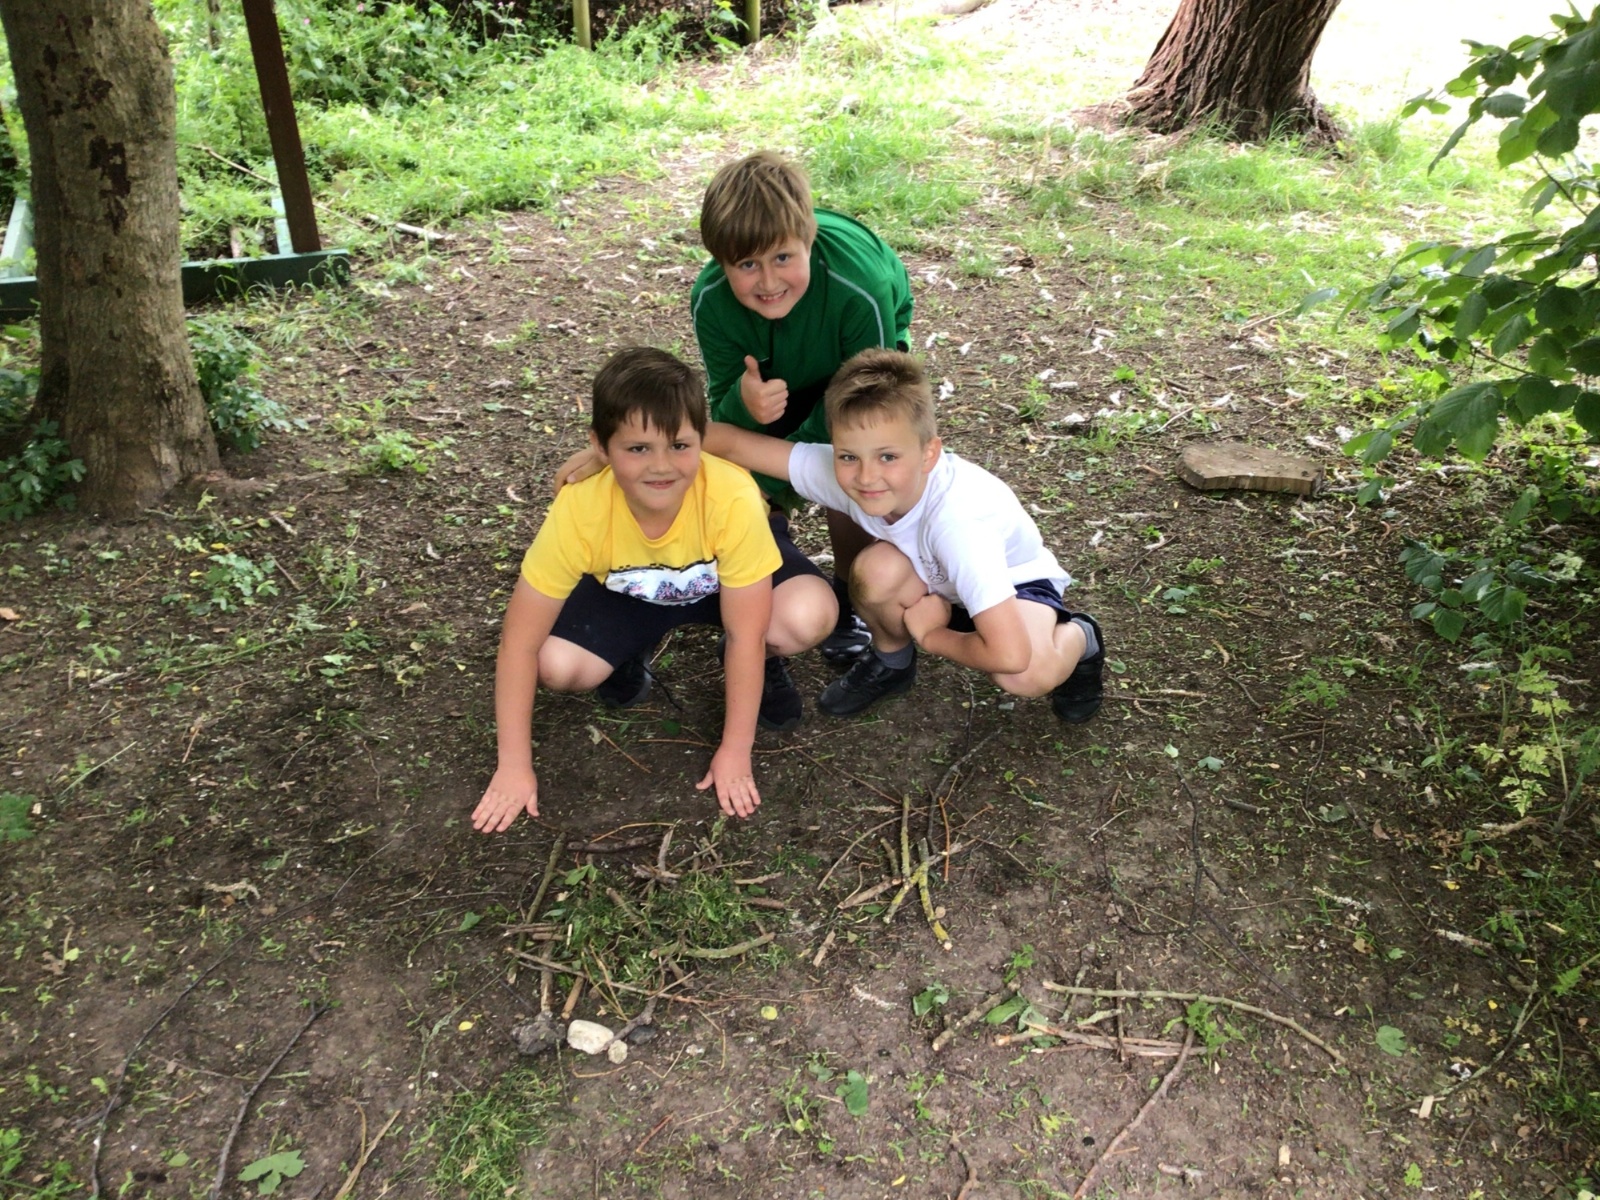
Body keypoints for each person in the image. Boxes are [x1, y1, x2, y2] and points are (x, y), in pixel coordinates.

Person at [557, 151, 915, 666]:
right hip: (776, 381)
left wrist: (778, 476)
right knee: (742, 461)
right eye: (747, 265)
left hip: (862, 373)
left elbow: (867, 405)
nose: (768, 282)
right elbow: (723, 420)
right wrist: (745, 407)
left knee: (853, 468)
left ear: (810, 237)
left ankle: (848, 596)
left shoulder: (862, 286)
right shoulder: (712, 300)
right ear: (721, 263)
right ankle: (752, 566)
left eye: (783, 258)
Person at [472, 347, 837, 833]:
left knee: (805, 615)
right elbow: (518, 642)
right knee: (555, 665)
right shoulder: (580, 508)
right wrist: (513, 766)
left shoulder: (731, 496)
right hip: (630, 591)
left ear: (702, 439)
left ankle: (764, 667)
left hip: (720, 588)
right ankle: (627, 650)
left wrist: (735, 750)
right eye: (638, 449)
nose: (661, 466)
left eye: (679, 445)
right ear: (600, 447)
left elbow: (746, 632)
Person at [702, 349, 1106, 724]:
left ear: (929, 453)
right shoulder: (849, 476)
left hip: (1014, 586)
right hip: (937, 579)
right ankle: (892, 662)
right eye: (848, 456)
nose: (866, 477)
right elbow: (734, 444)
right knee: (875, 570)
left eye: (888, 456)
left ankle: (1082, 638)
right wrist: (671, 443)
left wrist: (932, 635)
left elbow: (1010, 654)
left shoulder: (959, 526)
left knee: (1025, 674)